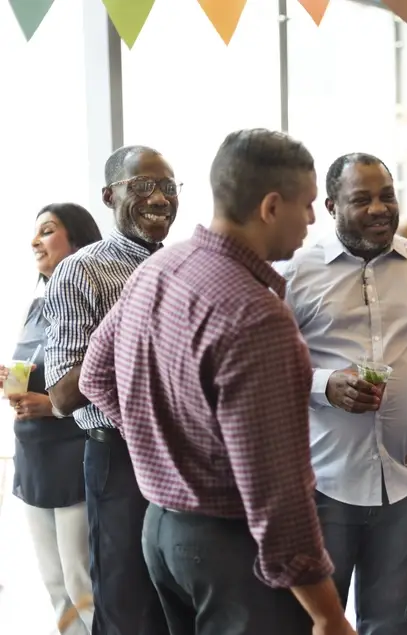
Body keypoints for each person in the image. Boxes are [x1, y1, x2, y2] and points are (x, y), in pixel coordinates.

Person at [78, 129, 355, 635]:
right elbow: (276, 492)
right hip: (233, 549)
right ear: (271, 206)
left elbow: (96, 376)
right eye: (309, 204)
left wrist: (160, 442)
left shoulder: (157, 268)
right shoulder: (257, 316)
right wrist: (328, 613)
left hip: (160, 530)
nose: (314, 220)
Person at [284, 152, 407, 635]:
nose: (379, 208)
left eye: (387, 196)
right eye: (361, 199)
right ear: (330, 205)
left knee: (388, 622)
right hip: (322, 482)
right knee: (313, 623)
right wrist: (325, 385)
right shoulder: (296, 273)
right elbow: (267, 369)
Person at [44, 145, 177, 635]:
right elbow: (62, 395)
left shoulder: (183, 267)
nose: (159, 198)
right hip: (119, 462)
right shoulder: (82, 269)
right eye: (142, 186)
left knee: (178, 604)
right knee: (128, 609)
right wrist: (135, 328)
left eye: (167, 187)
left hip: (183, 457)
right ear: (108, 195)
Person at [1, 204, 101, 635]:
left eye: (47, 231)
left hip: (75, 454)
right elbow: (34, 369)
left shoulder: (94, 302)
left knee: (84, 583)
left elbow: (104, 377)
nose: (34, 242)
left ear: (77, 241)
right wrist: (13, 380)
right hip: (33, 456)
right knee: (56, 585)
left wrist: (51, 404)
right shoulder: (37, 306)